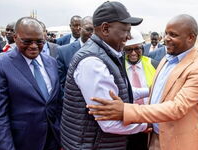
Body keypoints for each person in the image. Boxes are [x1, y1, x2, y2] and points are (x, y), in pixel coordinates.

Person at [87, 14, 198, 150]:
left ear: (191, 38)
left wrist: (126, 110)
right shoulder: (167, 59)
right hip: (154, 137)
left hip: (180, 142)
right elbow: (156, 93)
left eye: (173, 35)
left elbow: (177, 108)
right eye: (165, 33)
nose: (166, 39)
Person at [60, 2, 148, 150]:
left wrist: (150, 90)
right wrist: (149, 122)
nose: (129, 36)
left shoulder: (106, 54)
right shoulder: (93, 63)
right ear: (105, 28)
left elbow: (120, 92)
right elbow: (110, 122)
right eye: (126, 30)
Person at [0, 17, 61, 150]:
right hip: (21, 142)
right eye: (27, 41)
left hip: (53, 140)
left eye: (39, 42)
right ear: (15, 38)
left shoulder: (52, 62)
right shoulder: (2, 65)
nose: (33, 46)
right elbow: (0, 116)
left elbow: (57, 103)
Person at [123, 28, 157, 150]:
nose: (133, 53)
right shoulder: (117, 67)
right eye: (128, 49)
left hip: (149, 121)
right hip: (125, 122)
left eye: (137, 48)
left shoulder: (154, 64)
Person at [56, 16, 93, 96]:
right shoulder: (63, 51)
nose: (92, 34)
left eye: (95, 31)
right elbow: (59, 83)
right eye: (88, 29)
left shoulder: (104, 51)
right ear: (80, 29)